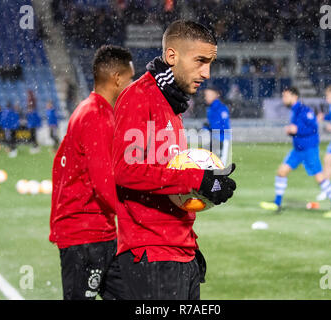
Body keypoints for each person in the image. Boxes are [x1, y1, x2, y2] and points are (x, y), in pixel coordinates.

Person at [111, 20, 237, 300]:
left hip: (181, 250)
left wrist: (205, 187)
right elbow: (124, 171)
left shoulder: (171, 102)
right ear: (172, 56)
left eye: (211, 63)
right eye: (200, 61)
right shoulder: (140, 97)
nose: (207, 73)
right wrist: (196, 179)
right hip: (153, 255)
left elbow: (166, 173)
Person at [49, 45, 135, 300]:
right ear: (117, 79)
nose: (133, 87)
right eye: (131, 80)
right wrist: (136, 216)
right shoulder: (95, 116)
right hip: (85, 237)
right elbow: (104, 184)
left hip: (99, 233)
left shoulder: (93, 111)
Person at [260, 87, 331, 218]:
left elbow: (313, 128)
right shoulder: (294, 111)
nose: (283, 99)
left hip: (309, 150)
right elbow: (298, 130)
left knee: (320, 178)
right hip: (298, 150)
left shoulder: (304, 110)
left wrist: (297, 129)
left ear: (294, 96)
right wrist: (293, 131)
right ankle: (277, 203)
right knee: (281, 172)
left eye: (286, 96)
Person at [203, 85, 231, 165]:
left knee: (221, 163)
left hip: (222, 138)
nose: (206, 97)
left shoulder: (221, 108)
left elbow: (224, 126)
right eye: (205, 95)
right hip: (214, 139)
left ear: (216, 95)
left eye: (208, 95)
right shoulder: (210, 108)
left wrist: (210, 127)